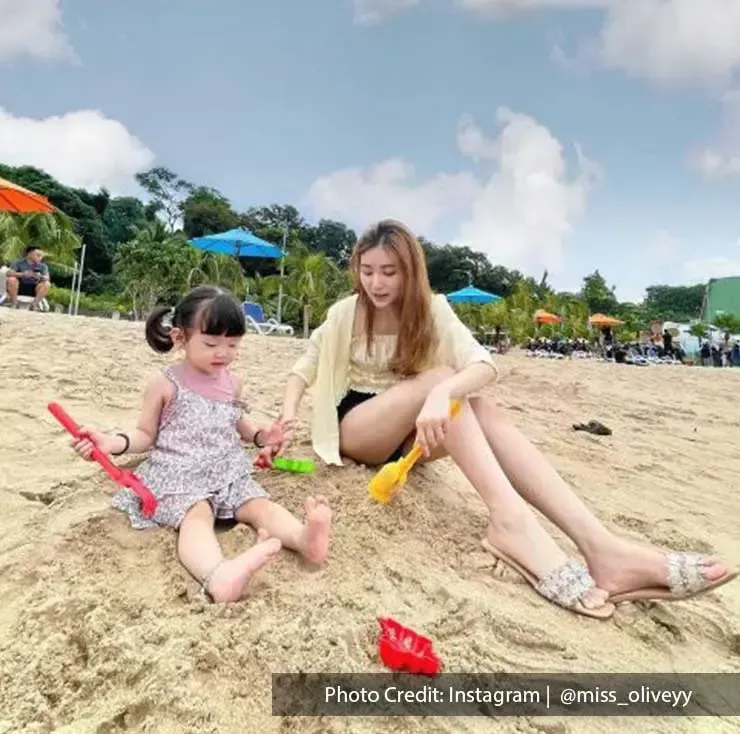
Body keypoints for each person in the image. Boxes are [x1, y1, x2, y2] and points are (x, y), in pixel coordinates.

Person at [277, 219, 737, 620]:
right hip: (358, 428)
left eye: (389, 272)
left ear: (411, 271)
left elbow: (484, 366)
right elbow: (304, 369)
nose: (376, 283)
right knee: (445, 381)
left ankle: (602, 547)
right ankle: (511, 521)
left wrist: (443, 391)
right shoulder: (345, 314)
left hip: (412, 433)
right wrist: (286, 417)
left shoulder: (432, 310)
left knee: (473, 403)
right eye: (367, 270)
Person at [71, 285, 332, 604]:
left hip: (227, 471)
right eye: (211, 344)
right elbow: (145, 435)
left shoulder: (233, 383)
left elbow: (240, 425)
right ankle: (216, 574)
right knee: (198, 516)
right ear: (180, 338)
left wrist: (265, 436)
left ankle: (304, 539)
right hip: (179, 474)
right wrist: (111, 442)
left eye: (233, 344)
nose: (223, 352)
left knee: (260, 506)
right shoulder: (165, 384)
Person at [5, 245, 50, 309]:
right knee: (11, 279)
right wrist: (23, 274)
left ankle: (34, 305)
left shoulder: (43, 266)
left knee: (47, 284)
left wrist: (40, 276)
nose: (40, 258)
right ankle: (14, 304)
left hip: (35, 288)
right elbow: (8, 273)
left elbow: (47, 278)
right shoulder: (18, 263)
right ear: (29, 254)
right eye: (38, 255)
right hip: (18, 287)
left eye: (41, 256)